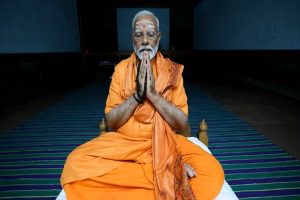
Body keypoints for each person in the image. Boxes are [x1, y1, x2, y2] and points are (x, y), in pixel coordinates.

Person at [61, 10, 224, 200]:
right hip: (125, 144)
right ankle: (162, 175)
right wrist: (138, 95)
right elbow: (111, 121)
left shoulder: (172, 71)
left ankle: (151, 173)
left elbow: (181, 123)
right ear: (133, 38)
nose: (145, 40)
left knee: (211, 172)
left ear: (159, 37)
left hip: (167, 144)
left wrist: (153, 95)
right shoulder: (121, 70)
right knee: (75, 162)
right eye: (139, 34)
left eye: (150, 34)